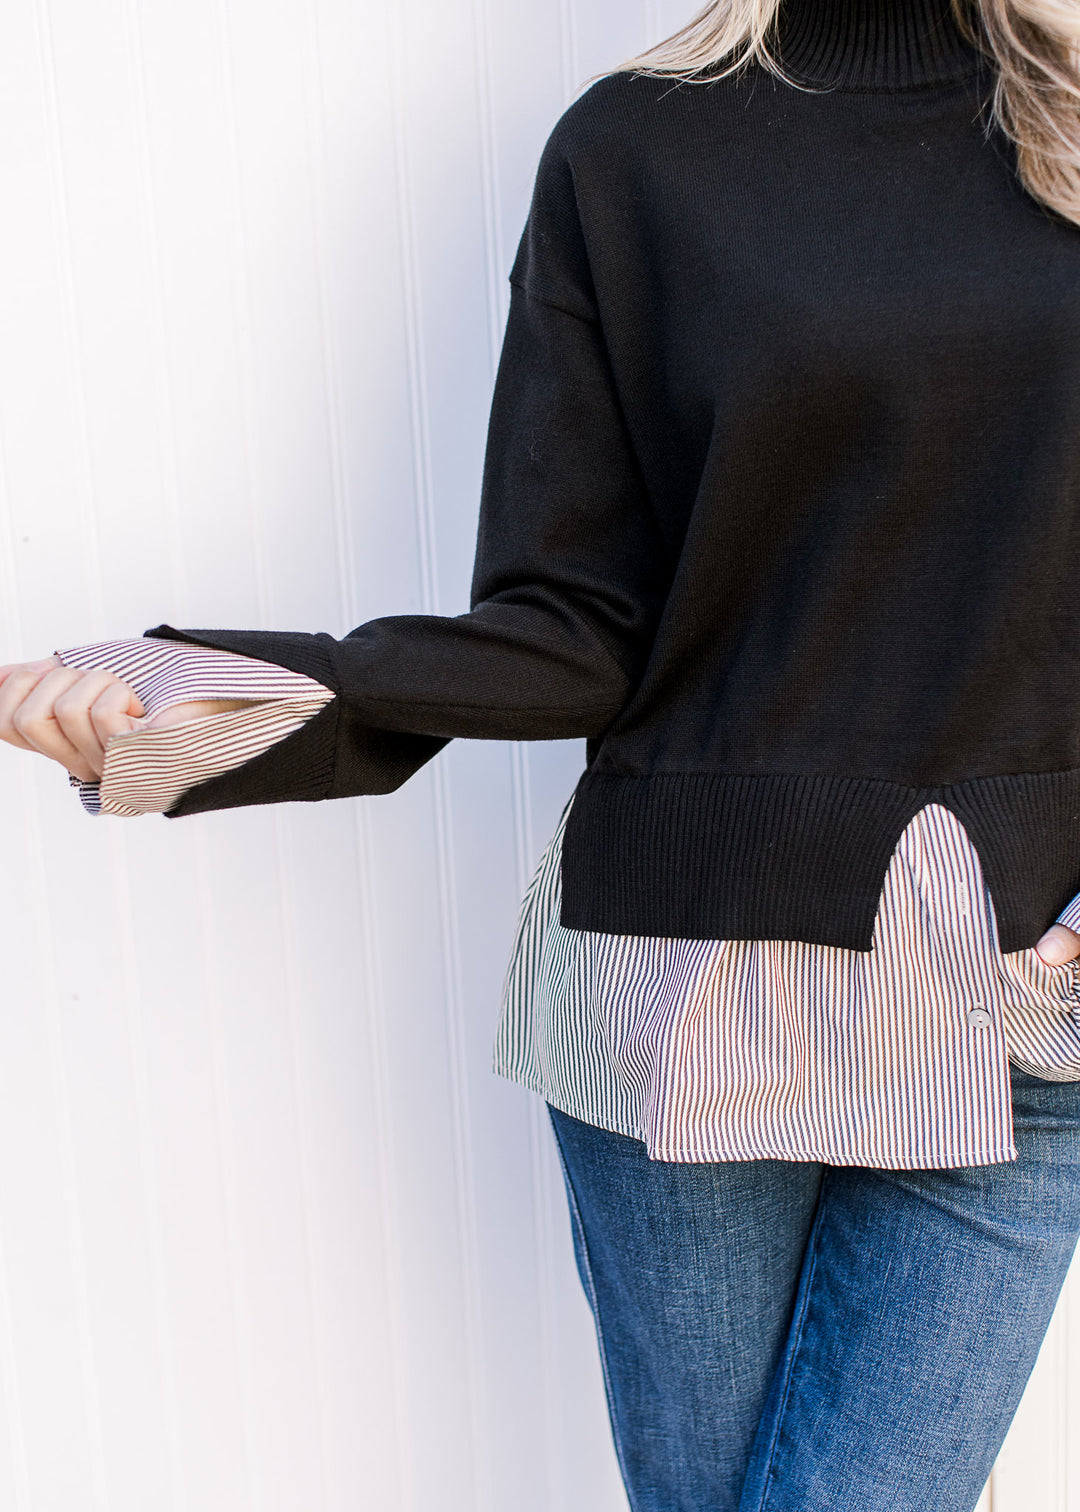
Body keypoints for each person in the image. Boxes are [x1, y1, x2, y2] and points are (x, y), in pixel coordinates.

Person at [4, 0, 1080, 1504]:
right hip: (688, 985)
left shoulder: (1070, 123)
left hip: (1020, 993)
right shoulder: (636, 151)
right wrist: (194, 704)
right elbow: (572, 623)